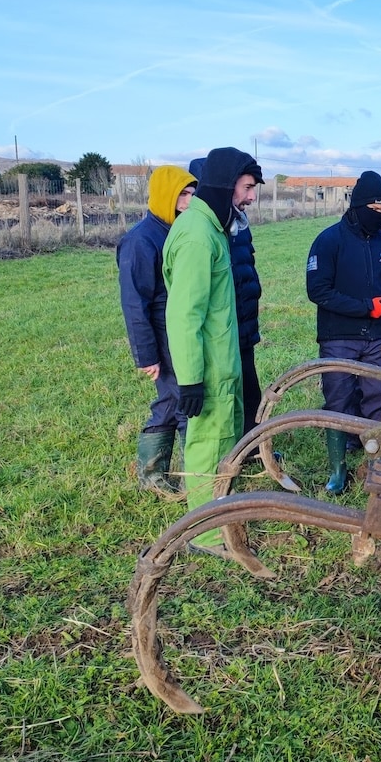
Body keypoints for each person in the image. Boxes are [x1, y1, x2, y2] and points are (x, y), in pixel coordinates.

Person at [163, 147, 261, 557]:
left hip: (225, 365)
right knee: (207, 446)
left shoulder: (213, 230)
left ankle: (221, 516)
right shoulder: (198, 236)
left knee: (224, 443)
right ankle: (204, 535)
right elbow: (185, 313)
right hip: (207, 370)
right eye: (247, 187)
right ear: (225, 185)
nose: (252, 197)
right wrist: (189, 378)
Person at [306, 170, 381, 493]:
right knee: (338, 398)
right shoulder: (328, 240)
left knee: (380, 398)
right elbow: (317, 290)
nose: (379, 217)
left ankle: (377, 464)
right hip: (339, 337)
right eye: (373, 211)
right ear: (357, 205)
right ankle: (338, 470)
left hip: (378, 336)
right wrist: (364, 307)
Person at [116, 165, 198, 500]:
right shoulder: (140, 239)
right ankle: (189, 479)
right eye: (183, 193)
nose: (190, 199)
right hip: (162, 334)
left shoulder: (178, 230)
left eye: (192, 192)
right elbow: (135, 303)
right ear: (165, 194)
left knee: (172, 399)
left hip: (181, 330)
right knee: (181, 400)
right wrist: (147, 355)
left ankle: (153, 475)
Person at [189, 156, 264, 437]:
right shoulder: (202, 232)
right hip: (218, 334)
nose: (251, 197)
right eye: (247, 188)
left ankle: (252, 448)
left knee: (249, 390)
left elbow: (245, 274)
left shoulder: (239, 226)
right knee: (218, 398)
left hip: (243, 325)